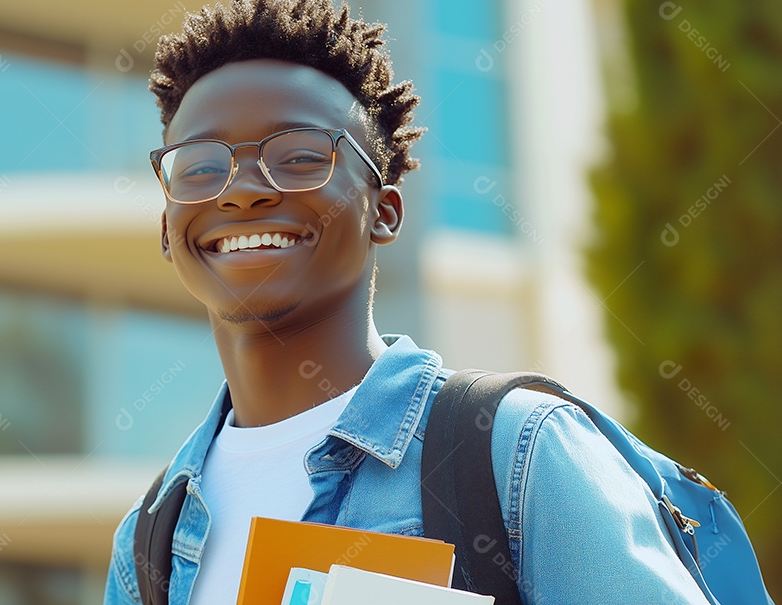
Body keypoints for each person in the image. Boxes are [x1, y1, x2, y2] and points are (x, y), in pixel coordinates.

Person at [103, 0, 712, 603]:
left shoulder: (516, 453)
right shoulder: (148, 538)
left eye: (301, 157)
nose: (243, 191)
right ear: (166, 230)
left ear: (385, 213)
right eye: (202, 167)